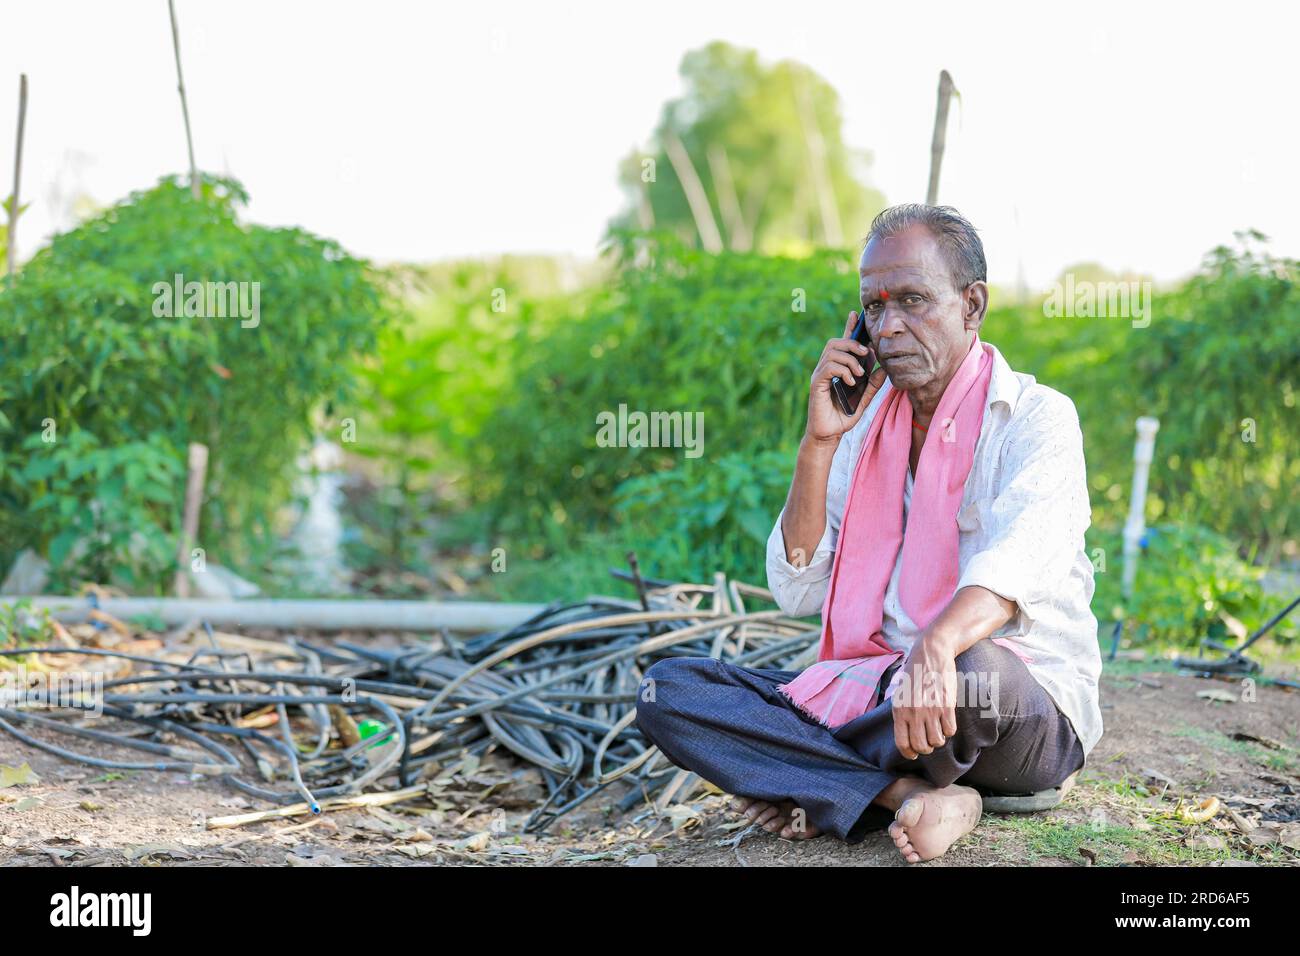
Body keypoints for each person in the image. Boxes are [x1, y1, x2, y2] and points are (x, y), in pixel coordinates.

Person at [635, 204, 1102, 863]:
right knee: (672, 690)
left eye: (912, 301)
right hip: (880, 694)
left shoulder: (1035, 418)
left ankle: (811, 775)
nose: (888, 328)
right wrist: (819, 442)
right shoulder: (861, 429)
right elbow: (797, 586)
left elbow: (1018, 563)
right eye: (873, 307)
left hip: (1004, 704)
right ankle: (908, 795)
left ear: (972, 305)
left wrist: (936, 646)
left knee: (975, 671)